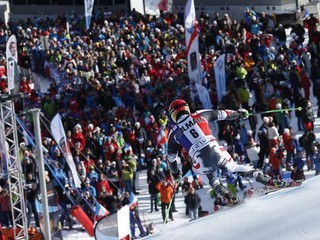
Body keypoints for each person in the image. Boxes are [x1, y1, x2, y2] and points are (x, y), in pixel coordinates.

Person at [166, 99, 285, 205]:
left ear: (174, 115)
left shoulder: (173, 133)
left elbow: (171, 159)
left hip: (200, 158)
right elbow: (224, 114)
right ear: (186, 108)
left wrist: (176, 174)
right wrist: (239, 114)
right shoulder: (200, 114)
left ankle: (226, 195)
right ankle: (268, 180)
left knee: (207, 175)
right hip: (216, 149)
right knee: (234, 167)